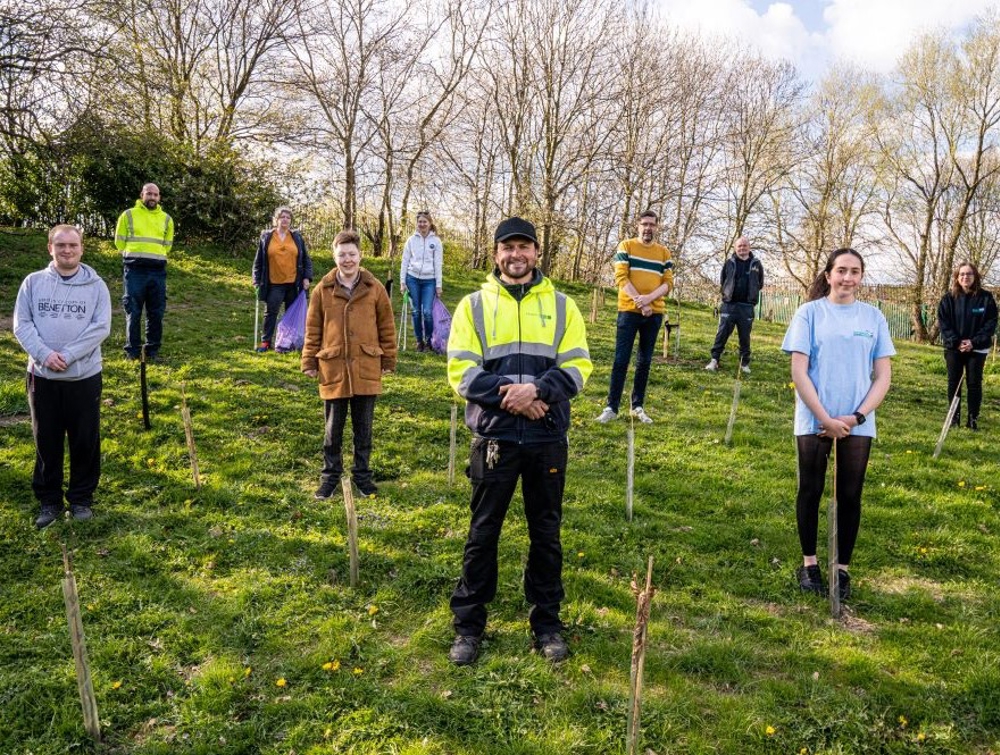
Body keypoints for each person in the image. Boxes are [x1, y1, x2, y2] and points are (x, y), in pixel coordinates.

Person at [446, 217, 592, 665]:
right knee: (482, 532)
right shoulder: (472, 306)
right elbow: (461, 372)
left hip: (547, 437)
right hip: (496, 438)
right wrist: (515, 397)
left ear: (536, 252)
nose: (516, 255)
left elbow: (578, 367)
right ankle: (468, 626)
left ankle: (546, 624)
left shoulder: (565, 306)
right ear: (495, 254)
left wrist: (539, 392)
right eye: (508, 248)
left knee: (545, 534)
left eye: (524, 247)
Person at [781, 248, 894, 601]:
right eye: (841, 270)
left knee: (850, 495)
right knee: (811, 490)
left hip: (857, 420)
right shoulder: (809, 313)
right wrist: (825, 418)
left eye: (855, 272)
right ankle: (810, 564)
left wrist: (857, 416)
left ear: (861, 277)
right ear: (828, 274)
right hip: (815, 417)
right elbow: (799, 370)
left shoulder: (873, 317)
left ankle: (842, 569)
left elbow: (883, 376)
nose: (848, 278)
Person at [13, 225, 112, 528]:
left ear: (82, 248)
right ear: (50, 249)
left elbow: (100, 327)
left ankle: (81, 499)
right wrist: (45, 355)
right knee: (47, 440)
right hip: (42, 377)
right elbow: (22, 324)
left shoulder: (97, 286)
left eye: (73, 245)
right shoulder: (33, 283)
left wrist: (67, 356)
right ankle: (50, 501)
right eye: (61, 245)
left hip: (83, 377)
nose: (67, 250)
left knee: (85, 440)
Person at [302, 230, 396, 499]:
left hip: (367, 366)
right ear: (334, 256)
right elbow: (313, 328)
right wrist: (309, 360)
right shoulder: (322, 290)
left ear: (360, 256)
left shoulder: (374, 288)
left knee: (363, 428)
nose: (347, 260)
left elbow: (387, 326)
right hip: (333, 368)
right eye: (342, 255)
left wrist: (388, 359)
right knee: (333, 429)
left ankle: (362, 477)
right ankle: (329, 478)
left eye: (351, 254)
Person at [595, 210, 673, 424]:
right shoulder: (626, 246)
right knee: (621, 360)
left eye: (652, 225)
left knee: (645, 361)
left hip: (654, 313)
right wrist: (640, 301)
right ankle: (612, 407)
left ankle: (638, 406)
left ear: (657, 227)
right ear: (638, 226)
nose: (648, 228)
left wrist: (649, 300)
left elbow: (667, 283)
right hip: (628, 311)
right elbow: (621, 277)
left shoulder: (664, 253)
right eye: (644, 224)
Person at [115, 183, 174, 361]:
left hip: (158, 271)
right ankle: (132, 352)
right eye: (149, 194)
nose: (152, 197)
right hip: (135, 270)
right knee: (133, 311)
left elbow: (167, 245)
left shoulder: (167, 219)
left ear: (159, 197)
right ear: (142, 195)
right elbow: (119, 241)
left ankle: (152, 351)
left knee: (156, 312)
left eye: (155, 195)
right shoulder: (128, 215)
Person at [936, 262, 997, 431]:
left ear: (975, 276)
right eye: (962, 274)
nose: (965, 277)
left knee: (974, 383)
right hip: (953, 348)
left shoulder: (986, 298)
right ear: (956, 277)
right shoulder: (948, 299)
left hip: (977, 350)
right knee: (954, 382)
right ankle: (953, 420)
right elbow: (944, 323)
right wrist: (957, 342)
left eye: (969, 274)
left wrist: (973, 342)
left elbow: (990, 323)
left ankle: (972, 420)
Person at [252, 206, 314, 352]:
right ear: (276, 220)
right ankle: (265, 342)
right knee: (271, 312)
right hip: (274, 283)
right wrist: (256, 280)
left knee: (291, 313)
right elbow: (258, 262)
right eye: (282, 217)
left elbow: (306, 259)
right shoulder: (266, 238)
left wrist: (307, 277)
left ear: (290, 221)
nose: (285, 220)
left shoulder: (296, 237)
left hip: (294, 283)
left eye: (288, 217)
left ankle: (287, 343)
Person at [706, 236, 764, 373]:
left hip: (747, 306)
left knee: (745, 336)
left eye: (744, 245)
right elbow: (723, 280)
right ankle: (714, 360)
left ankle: (744, 364)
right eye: (739, 246)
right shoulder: (729, 263)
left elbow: (760, 283)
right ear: (735, 248)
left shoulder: (756, 264)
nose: (742, 248)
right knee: (722, 333)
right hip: (729, 305)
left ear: (749, 247)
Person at [399, 210, 444, 352]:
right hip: (412, 279)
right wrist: (402, 282)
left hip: (429, 281)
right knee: (416, 311)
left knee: (427, 312)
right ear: (417, 223)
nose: (422, 224)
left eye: (425, 221)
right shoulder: (411, 241)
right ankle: (419, 342)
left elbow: (438, 264)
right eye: (420, 222)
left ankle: (429, 340)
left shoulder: (436, 242)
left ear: (430, 223)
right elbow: (405, 262)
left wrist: (438, 285)